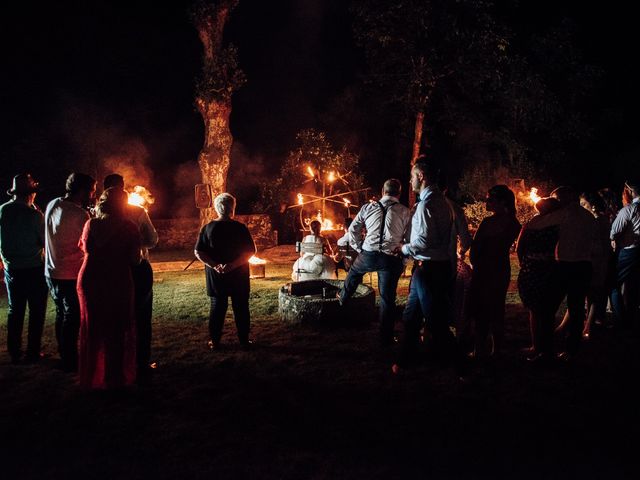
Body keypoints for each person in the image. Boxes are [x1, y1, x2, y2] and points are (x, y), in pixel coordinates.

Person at [393, 160, 459, 372]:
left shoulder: (426, 205)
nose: (410, 181)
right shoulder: (443, 202)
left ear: (421, 176)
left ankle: (459, 366)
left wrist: (403, 248)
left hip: (429, 269)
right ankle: (404, 360)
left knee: (436, 321)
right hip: (435, 267)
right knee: (411, 317)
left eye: (412, 176)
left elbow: (423, 241)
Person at [77, 188, 141, 389]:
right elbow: (134, 259)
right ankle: (115, 377)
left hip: (92, 278)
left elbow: (85, 248)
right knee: (117, 328)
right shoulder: (129, 227)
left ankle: (93, 377)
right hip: (117, 279)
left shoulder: (92, 224)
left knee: (94, 328)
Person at [338, 179, 411, 345]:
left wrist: (359, 248)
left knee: (354, 273)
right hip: (390, 259)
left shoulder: (368, 207)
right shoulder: (405, 211)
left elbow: (353, 229)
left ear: (382, 191)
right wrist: (404, 261)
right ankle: (385, 337)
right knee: (387, 299)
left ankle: (343, 298)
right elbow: (408, 239)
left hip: (368, 254)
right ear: (398, 193)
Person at [103, 174, 159, 379]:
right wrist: (136, 243)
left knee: (114, 318)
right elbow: (152, 240)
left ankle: (115, 362)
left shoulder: (97, 215)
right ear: (123, 189)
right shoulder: (137, 211)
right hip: (136, 269)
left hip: (108, 271)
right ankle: (141, 362)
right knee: (141, 317)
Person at [45, 173, 96, 372]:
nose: (93, 194)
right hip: (69, 272)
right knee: (72, 316)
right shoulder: (79, 215)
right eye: (91, 190)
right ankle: (69, 359)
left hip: (51, 271)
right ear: (82, 190)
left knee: (61, 313)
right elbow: (87, 245)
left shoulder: (53, 204)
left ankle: (64, 353)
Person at [195, 193, 256, 350]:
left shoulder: (207, 228)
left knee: (217, 307)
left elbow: (199, 252)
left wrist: (215, 265)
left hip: (216, 276)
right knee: (241, 306)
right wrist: (233, 265)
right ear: (232, 208)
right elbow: (250, 251)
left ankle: (215, 342)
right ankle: (244, 340)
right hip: (239, 276)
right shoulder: (240, 228)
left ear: (216, 208)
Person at [467, 185, 521, 359]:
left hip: (485, 270)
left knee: (482, 310)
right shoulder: (514, 223)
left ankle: (479, 349)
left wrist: (474, 259)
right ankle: (496, 349)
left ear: (501, 202)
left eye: (490, 199)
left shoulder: (488, 223)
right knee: (497, 309)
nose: (486, 202)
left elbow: (476, 249)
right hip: (500, 269)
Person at [0, 174, 48, 364]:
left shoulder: (2, 210)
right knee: (36, 310)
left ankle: (14, 351)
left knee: (15, 309)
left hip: (12, 268)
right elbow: (44, 241)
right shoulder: (34, 215)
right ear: (31, 194)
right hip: (34, 267)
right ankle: (33, 351)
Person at [516, 197, 563, 363]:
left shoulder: (530, 224)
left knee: (535, 311)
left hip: (531, 270)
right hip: (550, 270)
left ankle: (537, 346)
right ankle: (547, 349)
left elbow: (519, 247)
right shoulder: (558, 226)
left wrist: (525, 263)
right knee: (548, 311)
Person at [610, 180, 640, 329]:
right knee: (634, 285)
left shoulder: (629, 210)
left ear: (630, 192)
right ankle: (632, 318)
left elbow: (614, 232)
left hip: (629, 251)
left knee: (613, 285)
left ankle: (621, 321)